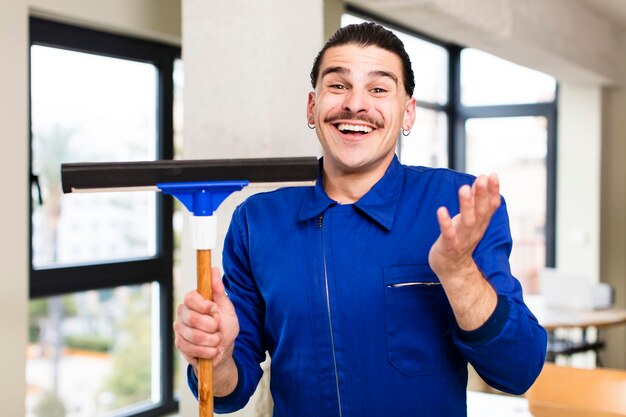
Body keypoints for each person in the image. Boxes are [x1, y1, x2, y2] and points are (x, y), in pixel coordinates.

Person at [174, 22, 547, 417]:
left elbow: (518, 369)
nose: (355, 104)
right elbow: (228, 392)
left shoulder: (459, 206)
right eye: (337, 86)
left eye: (379, 89)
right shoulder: (257, 222)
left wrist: (458, 274)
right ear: (312, 108)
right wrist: (217, 356)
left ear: (408, 113)